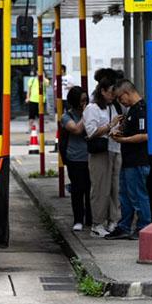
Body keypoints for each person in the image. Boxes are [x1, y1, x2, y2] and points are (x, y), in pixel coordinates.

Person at [106, 79, 151, 239]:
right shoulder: (131, 110)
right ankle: (124, 226)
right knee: (124, 196)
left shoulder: (141, 109)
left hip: (138, 160)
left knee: (138, 195)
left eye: (120, 98)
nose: (120, 102)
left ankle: (143, 226)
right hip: (128, 161)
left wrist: (123, 140)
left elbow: (145, 135)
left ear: (127, 93)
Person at [84, 69, 123, 238]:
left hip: (115, 149)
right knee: (100, 188)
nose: (113, 95)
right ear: (102, 91)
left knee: (115, 188)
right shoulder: (92, 108)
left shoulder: (112, 106)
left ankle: (114, 220)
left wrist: (117, 129)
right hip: (100, 152)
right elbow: (91, 132)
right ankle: (97, 223)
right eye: (111, 92)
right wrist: (110, 126)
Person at [60, 86, 92, 231]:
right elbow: (76, 129)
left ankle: (91, 218)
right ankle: (78, 219)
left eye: (86, 100)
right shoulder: (66, 117)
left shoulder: (91, 112)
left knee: (91, 190)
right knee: (78, 190)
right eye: (82, 100)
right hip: (75, 158)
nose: (84, 103)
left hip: (91, 156)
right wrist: (86, 114)